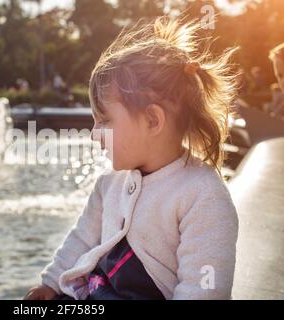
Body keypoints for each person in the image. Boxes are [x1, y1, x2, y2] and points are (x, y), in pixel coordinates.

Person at [24, 17, 239, 300]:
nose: (94, 134)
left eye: (104, 121)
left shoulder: (202, 195)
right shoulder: (109, 184)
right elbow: (81, 239)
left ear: (152, 119)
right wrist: (50, 284)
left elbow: (204, 287)